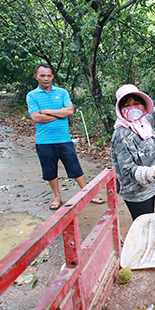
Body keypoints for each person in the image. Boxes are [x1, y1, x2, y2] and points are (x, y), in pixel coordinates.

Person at [26, 63, 103, 210]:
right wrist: (59, 113)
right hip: (44, 142)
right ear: (36, 77)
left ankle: (87, 193)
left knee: (75, 168)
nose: (46, 78)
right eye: (42, 75)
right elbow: (36, 118)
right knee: (50, 171)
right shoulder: (32, 95)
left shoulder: (62, 93)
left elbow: (70, 111)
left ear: (52, 76)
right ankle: (57, 196)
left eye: (49, 75)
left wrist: (47, 111)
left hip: (64, 140)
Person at [111, 82, 155, 221]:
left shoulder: (142, 121)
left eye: (136, 103)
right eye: (127, 105)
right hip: (135, 192)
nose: (132, 108)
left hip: (149, 186)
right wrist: (153, 173)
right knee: (143, 223)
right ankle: (143, 243)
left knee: (149, 219)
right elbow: (127, 170)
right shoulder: (121, 135)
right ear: (120, 109)